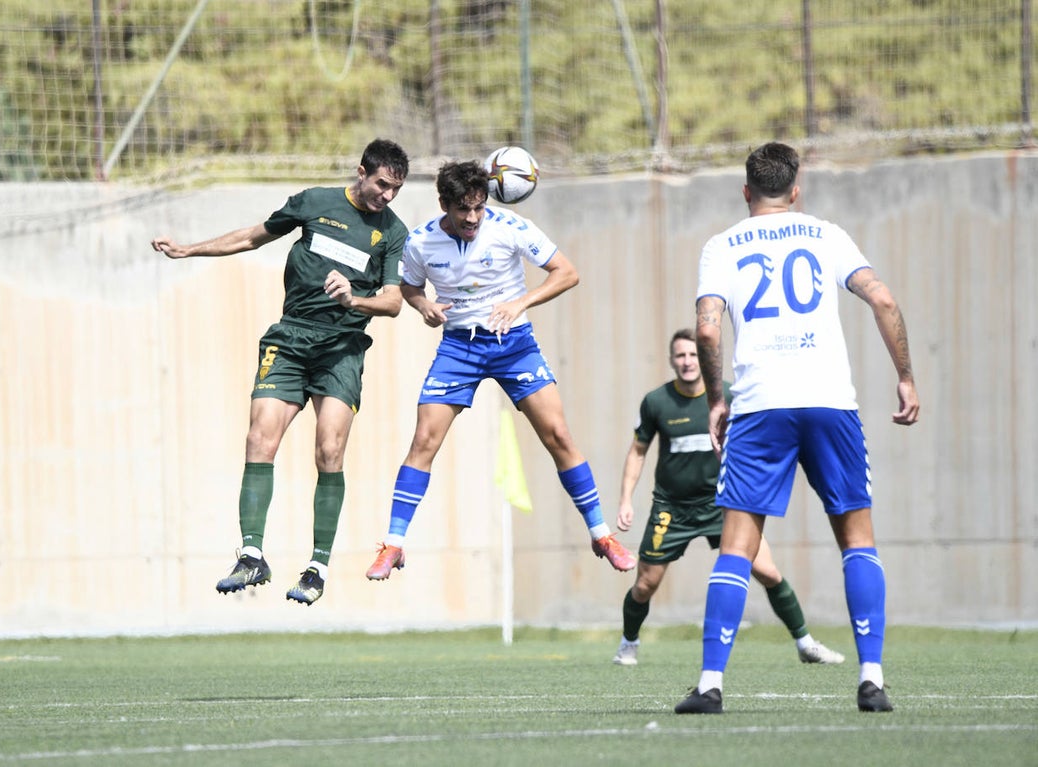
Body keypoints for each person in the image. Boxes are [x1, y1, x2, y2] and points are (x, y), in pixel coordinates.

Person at [674, 142, 919, 715]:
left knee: (736, 548)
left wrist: (715, 399)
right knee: (857, 540)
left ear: (745, 191)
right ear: (797, 187)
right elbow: (881, 298)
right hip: (831, 402)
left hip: (761, 407)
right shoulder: (826, 234)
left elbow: (707, 333)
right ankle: (872, 680)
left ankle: (711, 684)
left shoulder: (721, 246)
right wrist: (905, 375)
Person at [150, 138, 411, 606]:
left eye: (395, 189)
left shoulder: (392, 231)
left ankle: (316, 567)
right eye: (382, 185)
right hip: (290, 339)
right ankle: (252, 555)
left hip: (342, 349)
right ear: (361, 171)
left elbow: (393, 301)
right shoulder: (314, 203)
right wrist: (190, 250)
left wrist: (354, 299)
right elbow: (254, 235)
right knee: (258, 438)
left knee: (329, 448)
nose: (387, 196)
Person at [364, 159, 636, 581]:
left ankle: (601, 534)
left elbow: (567, 272)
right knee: (423, 440)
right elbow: (411, 288)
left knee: (559, 435)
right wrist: (425, 307)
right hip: (458, 348)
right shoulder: (419, 242)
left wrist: (519, 303)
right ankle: (394, 544)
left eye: (478, 208)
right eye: (463, 210)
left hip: (515, 346)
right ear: (444, 205)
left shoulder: (511, 226)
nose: (473, 218)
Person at [612, 328, 844, 667]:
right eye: (681, 355)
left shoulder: (732, 396)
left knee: (767, 571)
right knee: (645, 584)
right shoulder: (656, 402)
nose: (688, 361)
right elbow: (637, 451)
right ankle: (628, 643)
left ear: (704, 358)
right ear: (671, 360)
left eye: (693, 354)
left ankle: (805, 643)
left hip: (724, 503)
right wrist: (626, 500)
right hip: (671, 508)